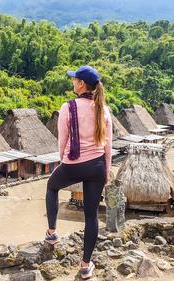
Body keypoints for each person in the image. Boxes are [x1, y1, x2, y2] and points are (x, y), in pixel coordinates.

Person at [44, 65, 112, 279]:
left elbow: (62, 141)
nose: (73, 82)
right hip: (98, 166)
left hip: (74, 163)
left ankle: (52, 234)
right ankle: (85, 265)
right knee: (91, 216)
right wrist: (106, 172)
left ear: (81, 84)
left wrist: (62, 164)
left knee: (52, 186)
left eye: (74, 79)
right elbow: (108, 146)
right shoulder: (104, 109)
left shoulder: (68, 107)